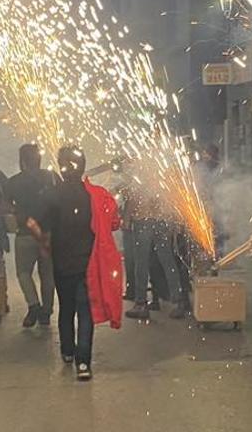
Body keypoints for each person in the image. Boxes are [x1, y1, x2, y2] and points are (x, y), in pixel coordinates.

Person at [28, 145, 122, 382]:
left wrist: (44, 242)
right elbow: (114, 222)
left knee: (66, 308)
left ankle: (67, 352)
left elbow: (31, 223)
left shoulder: (52, 193)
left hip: (61, 262)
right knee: (86, 311)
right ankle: (83, 363)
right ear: (81, 166)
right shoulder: (97, 195)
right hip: (89, 264)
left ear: (61, 166)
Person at [6, 143, 59, 327]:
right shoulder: (51, 177)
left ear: (22, 161)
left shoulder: (13, 182)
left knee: (23, 273)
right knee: (47, 274)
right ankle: (46, 311)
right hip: (48, 235)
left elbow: (7, 207)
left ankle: (33, 305)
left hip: (25, 234)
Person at [124, 177, 186, 322]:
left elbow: (135, 197)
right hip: (161, 221)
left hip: (143, 221)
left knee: (141, 263)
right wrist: (173, 220)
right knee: (168, 261)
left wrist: (127, 218)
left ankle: (140, 304)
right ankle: (179, 301)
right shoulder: (162, 174)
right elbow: (171, 198)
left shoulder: (140, 170)